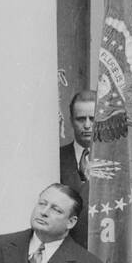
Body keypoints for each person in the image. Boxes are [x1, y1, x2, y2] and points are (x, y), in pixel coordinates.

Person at [58, 89, 96, 249]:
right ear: (71, 120)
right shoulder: (57, 158)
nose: (87, 125)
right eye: (81, 119)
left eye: (92, 119)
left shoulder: (116, 161)